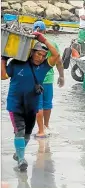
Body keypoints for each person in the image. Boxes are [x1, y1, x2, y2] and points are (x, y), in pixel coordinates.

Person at [1, 32, 59, 171]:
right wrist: (3, 60)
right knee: (19, 131)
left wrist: (43, 39)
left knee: (27, 133)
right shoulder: (17, 63)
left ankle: (18, 152)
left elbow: (56, 55)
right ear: (32, 52)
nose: (40, 57)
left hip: (32, 105)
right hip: (15, 104)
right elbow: (3, 76)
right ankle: (21, 159)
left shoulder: (44, 66)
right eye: (38, 54)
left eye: (43, 56)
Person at [33, 21, 64, 138]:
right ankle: (46, 126)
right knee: (47, 104)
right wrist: (61, 76)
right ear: (45, 31)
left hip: (34, 79)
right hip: (48, 80)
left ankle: (40, 129)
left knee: (38, 105)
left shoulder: (31, 43)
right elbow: (59, 61)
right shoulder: (52, 44)